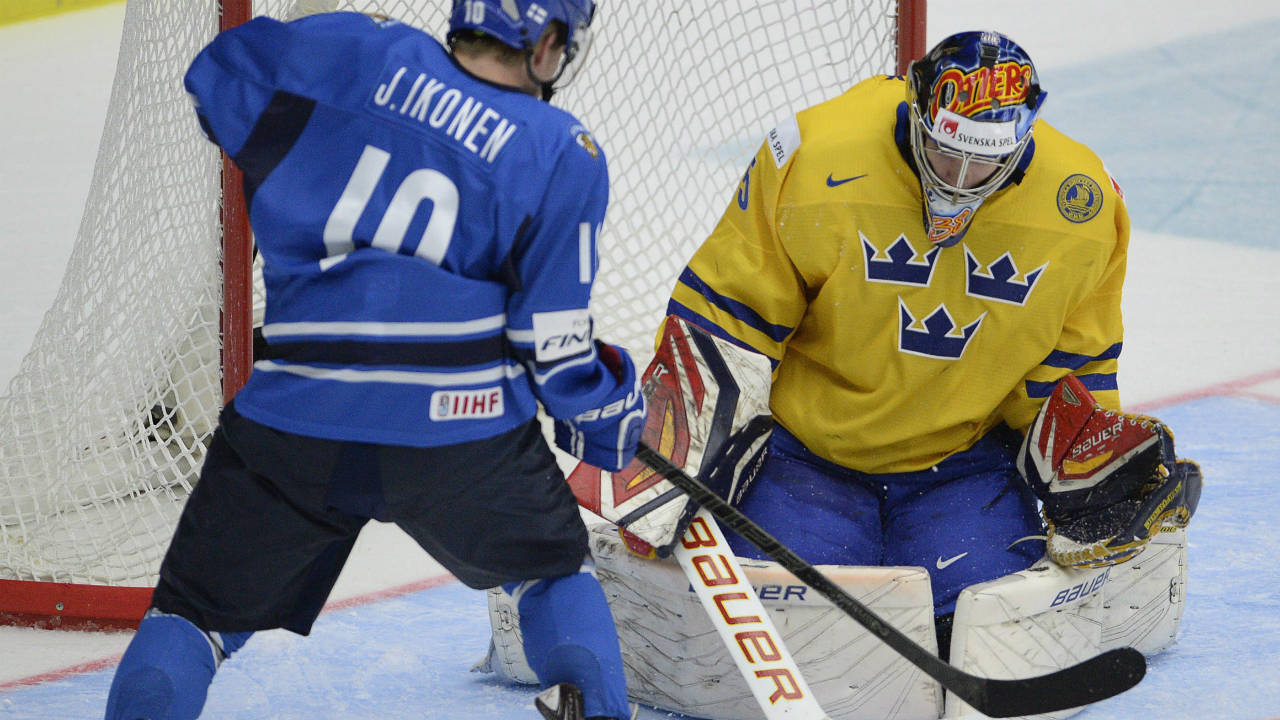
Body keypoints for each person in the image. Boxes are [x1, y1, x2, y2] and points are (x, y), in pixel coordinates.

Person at [104, 2, 644, 719]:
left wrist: (299, 138)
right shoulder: (560, 148)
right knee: (552, 578)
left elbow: (219, 78)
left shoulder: (357, 50)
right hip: (464, 434)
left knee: (190, 617)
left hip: (297, 419)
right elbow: (553, 344)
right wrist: (607, 421)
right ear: (548, 44)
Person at [657, 30, 1199, 657]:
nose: (963, 179)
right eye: (947, 154)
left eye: (986, 161)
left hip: (963, 464)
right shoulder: (816, 155)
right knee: (807, 624)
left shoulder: (1080, 204)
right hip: (803, 454)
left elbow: (1073, 368)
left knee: (985, 622)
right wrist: (671, 452)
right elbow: (727, 317)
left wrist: (1088, 463)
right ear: (917, 112)